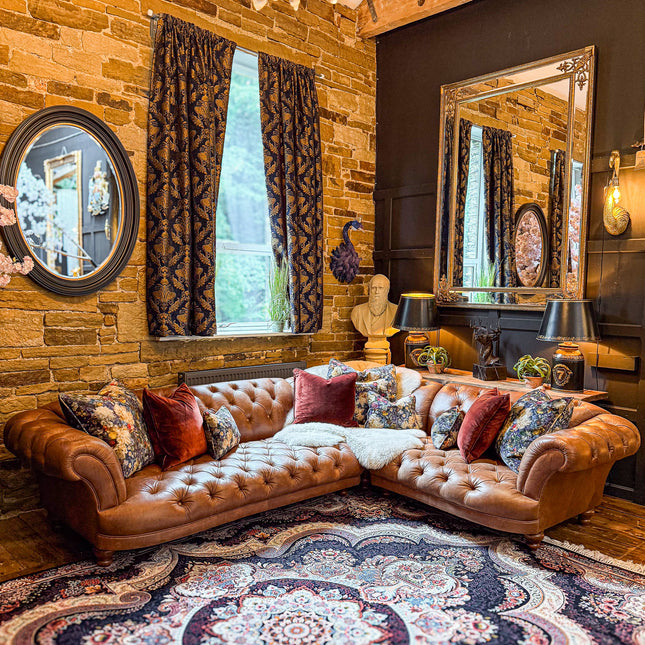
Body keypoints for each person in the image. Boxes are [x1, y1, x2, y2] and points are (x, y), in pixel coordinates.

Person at [351, 274, 399, 363]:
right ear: (369, 290)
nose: (377, 291)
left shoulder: (397, 311)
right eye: (373, 288)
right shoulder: (357, 312)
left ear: (387, 290)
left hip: (383, 348)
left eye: (380, 288)